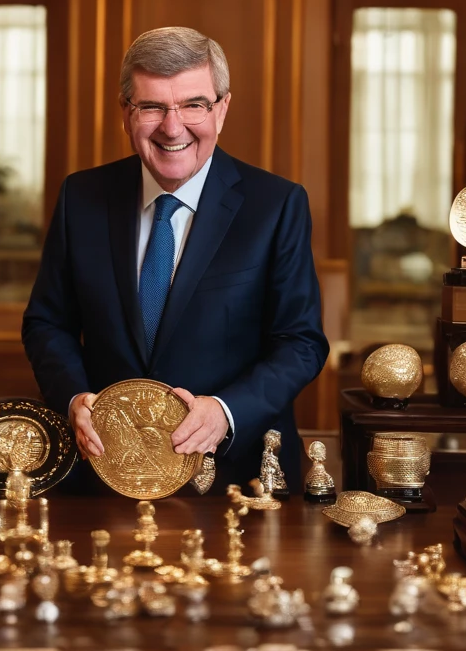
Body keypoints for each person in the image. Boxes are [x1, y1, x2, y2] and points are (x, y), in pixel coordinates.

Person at [22, 26, 328, 491]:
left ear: (221, 109)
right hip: (104, 474)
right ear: (126, 113)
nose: (172, 126)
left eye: (194, 105)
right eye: (152, 107)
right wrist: (72, 398)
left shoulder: (277, 205)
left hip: (236, 476)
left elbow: (301, 342)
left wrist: (226, 412)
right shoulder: (81, 197)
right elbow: (47, 323)